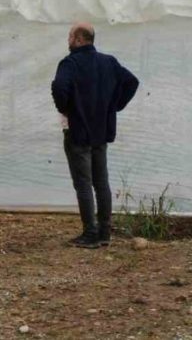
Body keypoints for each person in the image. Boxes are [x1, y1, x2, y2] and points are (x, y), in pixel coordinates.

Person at [51, 22, 139, 249]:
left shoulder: (70, 63)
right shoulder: (108, 62)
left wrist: (66, 108)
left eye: (70, 36)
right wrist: (114, 106)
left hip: (78, 131)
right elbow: (131, 82)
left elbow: (59, 87)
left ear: (79, 39)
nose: (68, 40)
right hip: (101, 131)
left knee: (83, 184)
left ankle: (90, 233)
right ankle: (104, 232)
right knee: (101, 182)